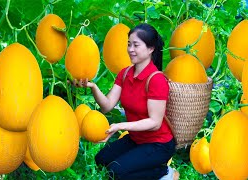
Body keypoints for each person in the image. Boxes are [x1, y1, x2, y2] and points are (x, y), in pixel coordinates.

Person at [74, 23, 179, 180]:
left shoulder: (156, 79)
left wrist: (121, 126)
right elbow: (107, 105)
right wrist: (93, 87)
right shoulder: (125, 74)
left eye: (136, 45)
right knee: (101, 160)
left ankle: (165, 173)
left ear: (151, 49)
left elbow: (155, 123)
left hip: (159, 145)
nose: (130, 49)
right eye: (129, 44)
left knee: (116, 172)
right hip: (137, 139)